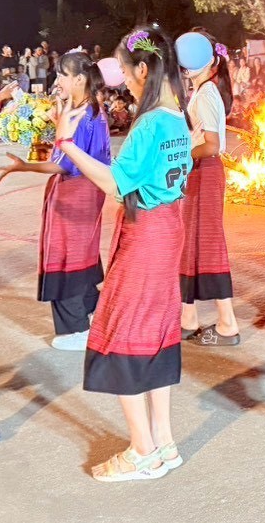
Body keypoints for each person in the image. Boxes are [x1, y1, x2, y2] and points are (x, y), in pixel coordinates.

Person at [56, 26, 193, 481]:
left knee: (124, 333)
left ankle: (142, 451)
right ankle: (164, 443)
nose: (124, 82)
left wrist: (66, 143)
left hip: (146, 236)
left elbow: (116, 184)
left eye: (126, 71)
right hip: (168, 229)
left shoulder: (150, 122)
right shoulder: (177, 117)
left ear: (143, 69)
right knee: (156, 331)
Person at [0, 50, 111, 349]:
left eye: (62, 75)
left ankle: (77, 329)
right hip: (89, 190)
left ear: (80, 79)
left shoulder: (80, 116)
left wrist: (24, 166)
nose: (58, 81)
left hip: (75, 192)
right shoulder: (91, 110)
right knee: (81, 253)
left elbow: (63, 164)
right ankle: (92, 310)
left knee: (66, 256)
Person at [175, 30, 241, 346]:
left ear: (210, 60)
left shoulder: (207, 94)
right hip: (197, 172)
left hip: (205, 171)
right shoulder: (201, 92)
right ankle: (187, 316)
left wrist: (181, 155)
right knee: (190, 243)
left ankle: (227, 323)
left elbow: (212, 145)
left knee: (209, 244)